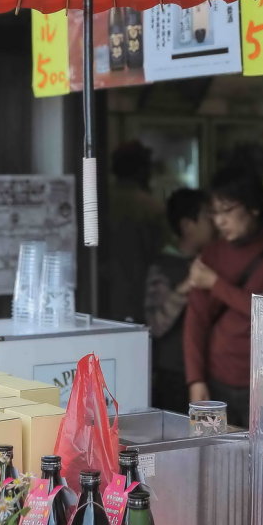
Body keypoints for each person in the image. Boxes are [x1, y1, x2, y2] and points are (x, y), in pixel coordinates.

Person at [183, 167, 263, 427]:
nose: (219, 221)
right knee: (217, 461)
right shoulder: (211, 255)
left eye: (227, 211)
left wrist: (215, 283)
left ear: (254, 208)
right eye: (215, 213)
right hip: (217, 380)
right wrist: (196, 379)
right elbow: (196, 322)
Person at [144, 188, 214, 414]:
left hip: (209, 370)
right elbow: (155, 324)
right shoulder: (164, 267)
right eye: (207, 215)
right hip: (174, 374)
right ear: (187, 225)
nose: (215, 221)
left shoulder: (214, 260)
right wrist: (185, 288)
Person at [107, 140, 167, 323]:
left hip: (102, 292)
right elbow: (163, 250)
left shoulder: (101, 200)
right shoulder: (150, 207)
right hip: (138, 293)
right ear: (142, 170)